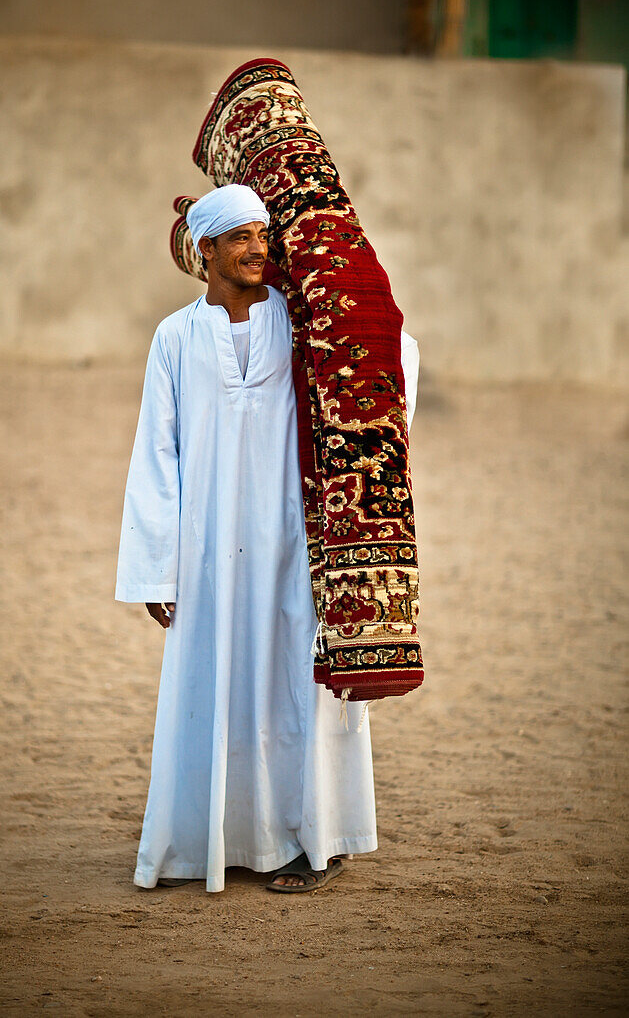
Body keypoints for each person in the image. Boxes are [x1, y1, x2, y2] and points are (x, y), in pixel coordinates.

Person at [115, 184, 419, 894]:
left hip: (294, 541)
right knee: (214, 688)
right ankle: (216, 842)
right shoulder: (174, 337)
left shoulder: (303, 321)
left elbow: (386, 350)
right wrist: (158, 572)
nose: (257, 250)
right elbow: (155, 458)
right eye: (240, 238)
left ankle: (311, 842)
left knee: (295, 690)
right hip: (208, 551)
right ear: (206, 250)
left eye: (264, 235)